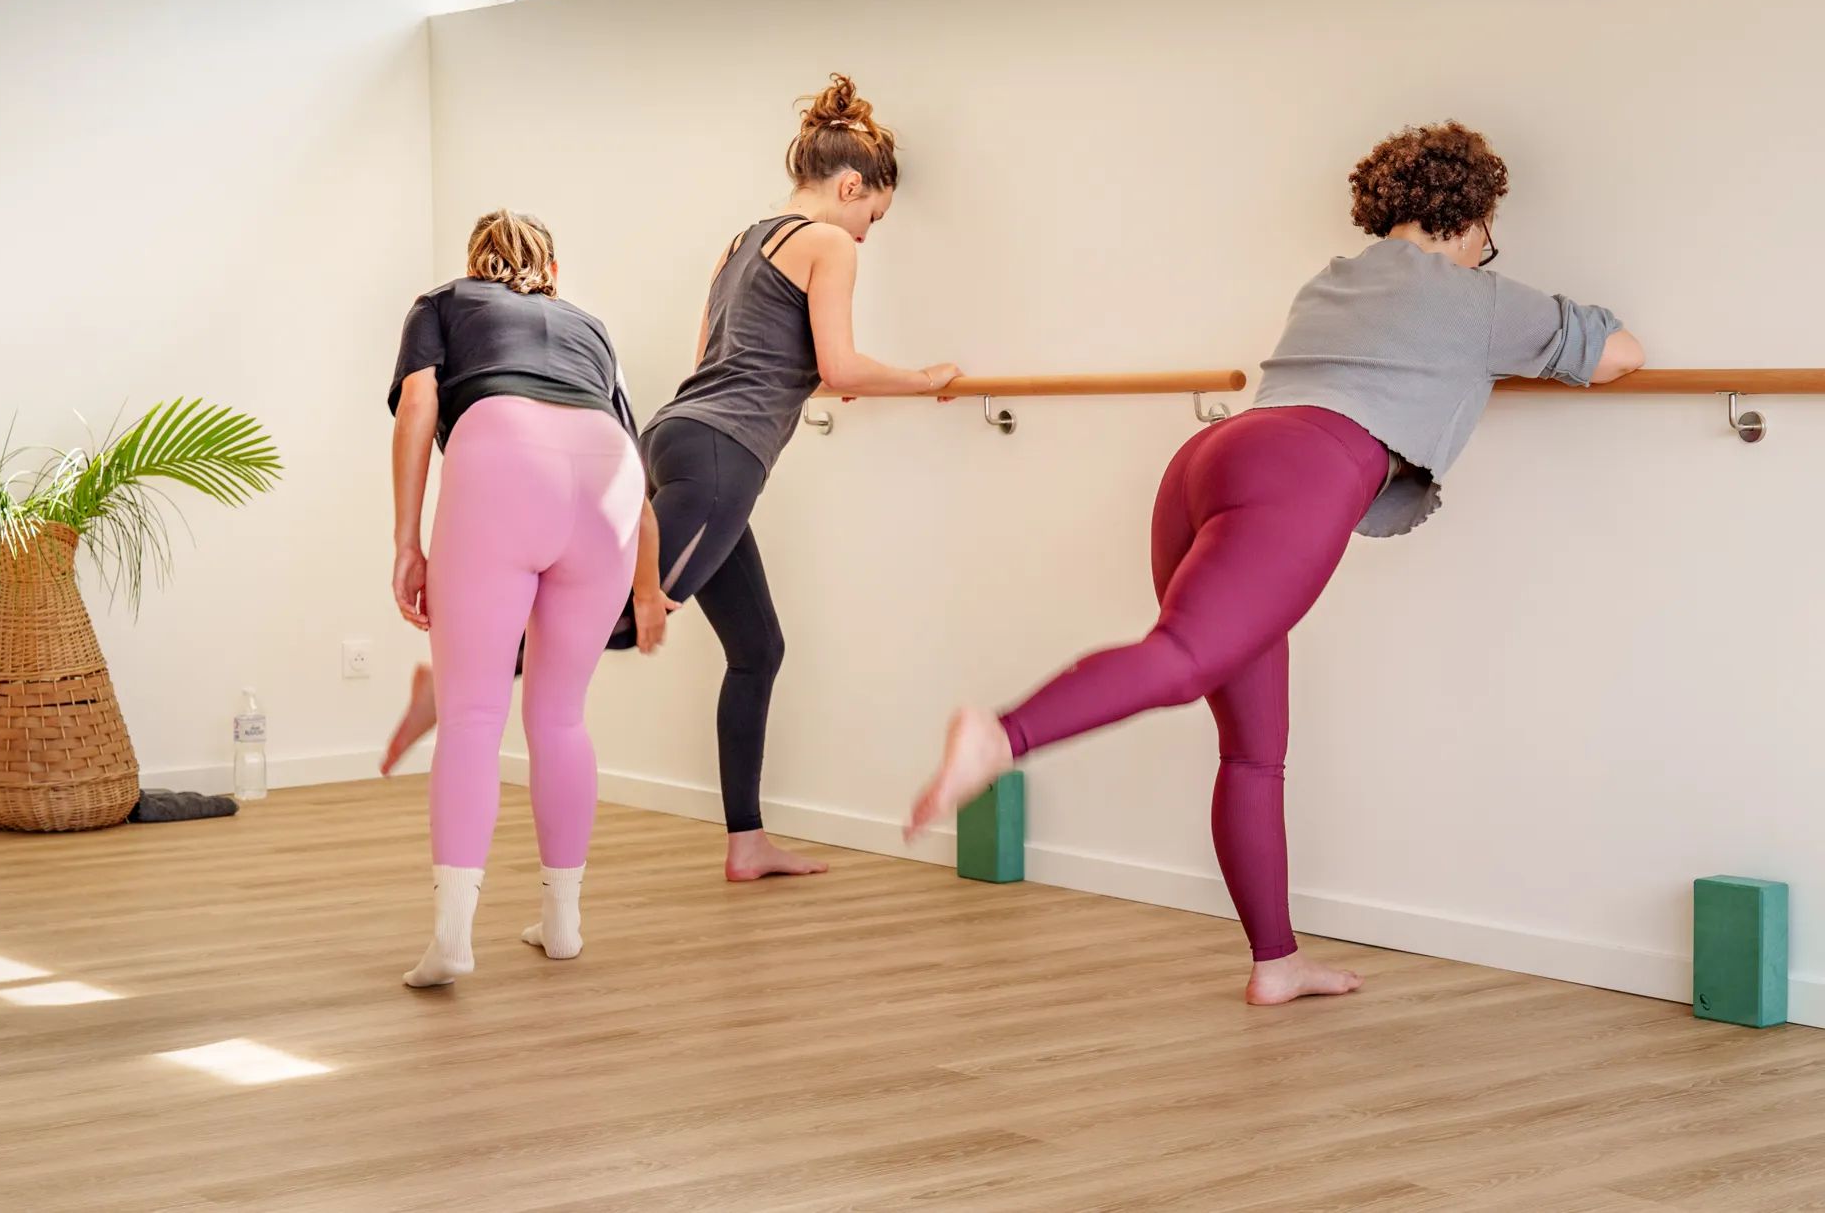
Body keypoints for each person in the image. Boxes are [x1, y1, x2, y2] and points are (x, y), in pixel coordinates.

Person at [906, 122, 1646, 1005]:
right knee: (1184, 659)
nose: (1491, 249)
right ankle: (1004, 734)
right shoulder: (1473, 295)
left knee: (1253, 750)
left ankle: (1277, 961)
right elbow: (1618, 354)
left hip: (1211, 459)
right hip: (1303, 471)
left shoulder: (1331, 280)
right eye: (1491, 233)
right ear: (1469, 217)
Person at [387, 73, 961, 882]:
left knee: (758, 646)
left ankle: (747, 842)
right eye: (875, 216)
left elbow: (732, 363)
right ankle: (450, 683)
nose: (868, 235)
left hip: (674, 436)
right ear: (851, 186)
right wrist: (927, 377)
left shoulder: (744, 241)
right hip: (724, 458)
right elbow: (837, 365)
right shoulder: (828, 243)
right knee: (619, 620)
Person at [385, 209, 672, 988]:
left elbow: (419, 408)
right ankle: (563, 922)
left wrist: (408, 540)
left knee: (474, 711)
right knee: (561, 716)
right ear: (551, 270)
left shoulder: (443, 303)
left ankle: (452, 936)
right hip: (606, 479)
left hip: (503, 455)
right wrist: (648, 587)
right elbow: (639, 481)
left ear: (479, 263)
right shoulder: (590, 328)